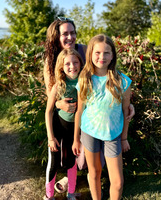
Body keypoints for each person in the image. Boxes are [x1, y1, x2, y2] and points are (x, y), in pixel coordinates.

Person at [43, 18, 135, 194]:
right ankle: (52, 192)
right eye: (64, 33)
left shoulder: (84, 50)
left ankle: (71, 183)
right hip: (66, 120)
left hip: (100, 123)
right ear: (56, 37)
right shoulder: (51, 60)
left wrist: (128, 106)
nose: (70, 37)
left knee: (91, 164)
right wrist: (58, 103)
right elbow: (51, 95)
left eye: (72, 32)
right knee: (64, 159)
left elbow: (110, 83)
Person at [72, 34, 132, 200]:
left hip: (112, 136)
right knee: (94, 172)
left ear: (112, 55)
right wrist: (76, 139)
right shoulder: (85, 79)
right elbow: (79, 111)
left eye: (106, 53)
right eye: (97, 52)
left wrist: (124, 138)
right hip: (89, 132)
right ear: (90, 54)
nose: (102, 57)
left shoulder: (123, 82)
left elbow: (126, 112)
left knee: (118, 182)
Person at [44, 48, 84, 200]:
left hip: (73, 129)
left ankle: (71, 193)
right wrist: (50, 137)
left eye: (75, 62)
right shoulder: (58, 86)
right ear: (61, 66)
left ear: (80, 63)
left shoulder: (83, 83)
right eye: (67, 63)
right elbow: (48, 111)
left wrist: (76, 139)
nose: (72, 66)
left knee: (71, 161)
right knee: (53, 162)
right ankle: (49, 196)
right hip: (57, 127)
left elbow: (80, 111)